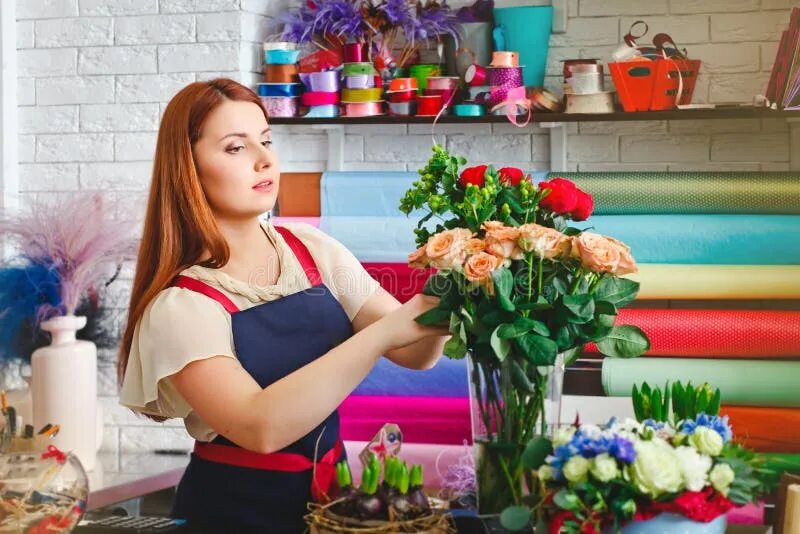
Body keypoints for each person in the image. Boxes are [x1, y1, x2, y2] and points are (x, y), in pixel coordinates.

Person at [117, 78, 449, 533]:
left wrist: (455, 290)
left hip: (335, 504)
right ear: (188, 169)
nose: (265, 159)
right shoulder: (180, 307)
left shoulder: (313, 250)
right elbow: (260, 428)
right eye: (236, 148)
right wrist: (384, 334)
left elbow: (416, 354)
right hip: (235, 516)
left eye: (266, 140)